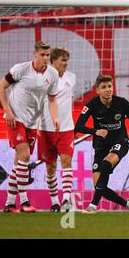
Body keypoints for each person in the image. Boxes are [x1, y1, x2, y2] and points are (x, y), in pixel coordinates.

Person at [0, 41, 59, 213]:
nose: (46, 58)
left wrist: (54, 117)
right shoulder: (21, 69)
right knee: (24, 156)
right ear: (35, 54)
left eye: (48, 55)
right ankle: (24, 202)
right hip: (14, 119)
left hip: (33, 123)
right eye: (43, 55)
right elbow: (0, 87)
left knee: (19, 163)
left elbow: (52, 99)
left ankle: (9, 203)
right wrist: (7, 110)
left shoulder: (52, 74)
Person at [75, 75, 129, 214]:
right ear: (98, 90)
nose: (108, 90)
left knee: (106, 164)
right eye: (104, 87)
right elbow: (78, 127)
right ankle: (128, 204)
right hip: (101, 145)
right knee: (99, 186)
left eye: (110, 86)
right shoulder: (92, 104)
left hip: (120, 141)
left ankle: (92, 206)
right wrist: (95, 131)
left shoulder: (122, 103)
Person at [37, 48, 76, 213]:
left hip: (66, 129)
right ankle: (54, 201)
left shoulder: (71, 78)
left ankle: (66, 200)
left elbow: (71, 101)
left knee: (67, 163)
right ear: (53, 62)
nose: (65, 63)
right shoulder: (42, 78)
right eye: (62, 60)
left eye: (67, 60)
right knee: (50, 168)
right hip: (46, 130)